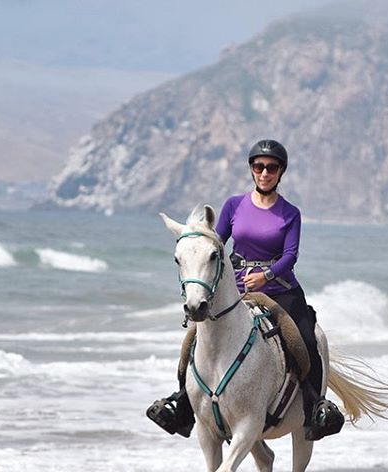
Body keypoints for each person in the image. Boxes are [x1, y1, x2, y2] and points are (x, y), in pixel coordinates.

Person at [146, 139, 344, 441]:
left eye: (271, 168)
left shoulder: (290, 213)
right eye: (258, 166)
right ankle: (183, 402)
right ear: (251, 170)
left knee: (304, 337)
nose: (264, 173)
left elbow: (291, 255)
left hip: (279, 289)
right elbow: (216, 243)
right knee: (192, 340)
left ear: (281, 172)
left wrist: (265, 275)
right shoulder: (234, 205)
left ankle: (316, 405)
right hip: (236, 290)